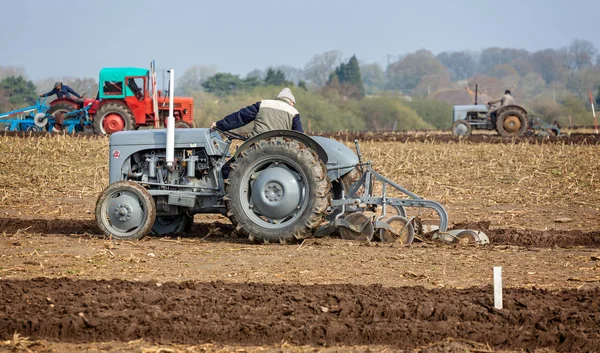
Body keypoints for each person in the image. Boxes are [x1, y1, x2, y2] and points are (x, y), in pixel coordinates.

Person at [210, 87, 303, 137]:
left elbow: (240, 117)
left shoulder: (263, 104)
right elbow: (299, 136)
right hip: (281, 148)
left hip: (256, 144)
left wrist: (219, 125)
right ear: (291, 101)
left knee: (228, 169)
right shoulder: (293, 112)